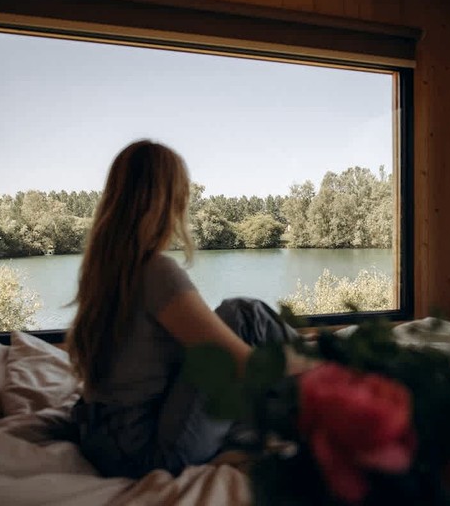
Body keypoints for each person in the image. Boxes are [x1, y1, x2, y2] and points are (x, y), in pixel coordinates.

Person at [66, 139, 297, 479]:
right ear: (169, 201)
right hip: (146, 452)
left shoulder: (105, 271)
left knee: (242, 335)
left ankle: (315, 405)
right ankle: (342, 394)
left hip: (101, 436)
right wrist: (329, 362)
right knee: (243, 315)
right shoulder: (155, 271)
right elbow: (245, 365)